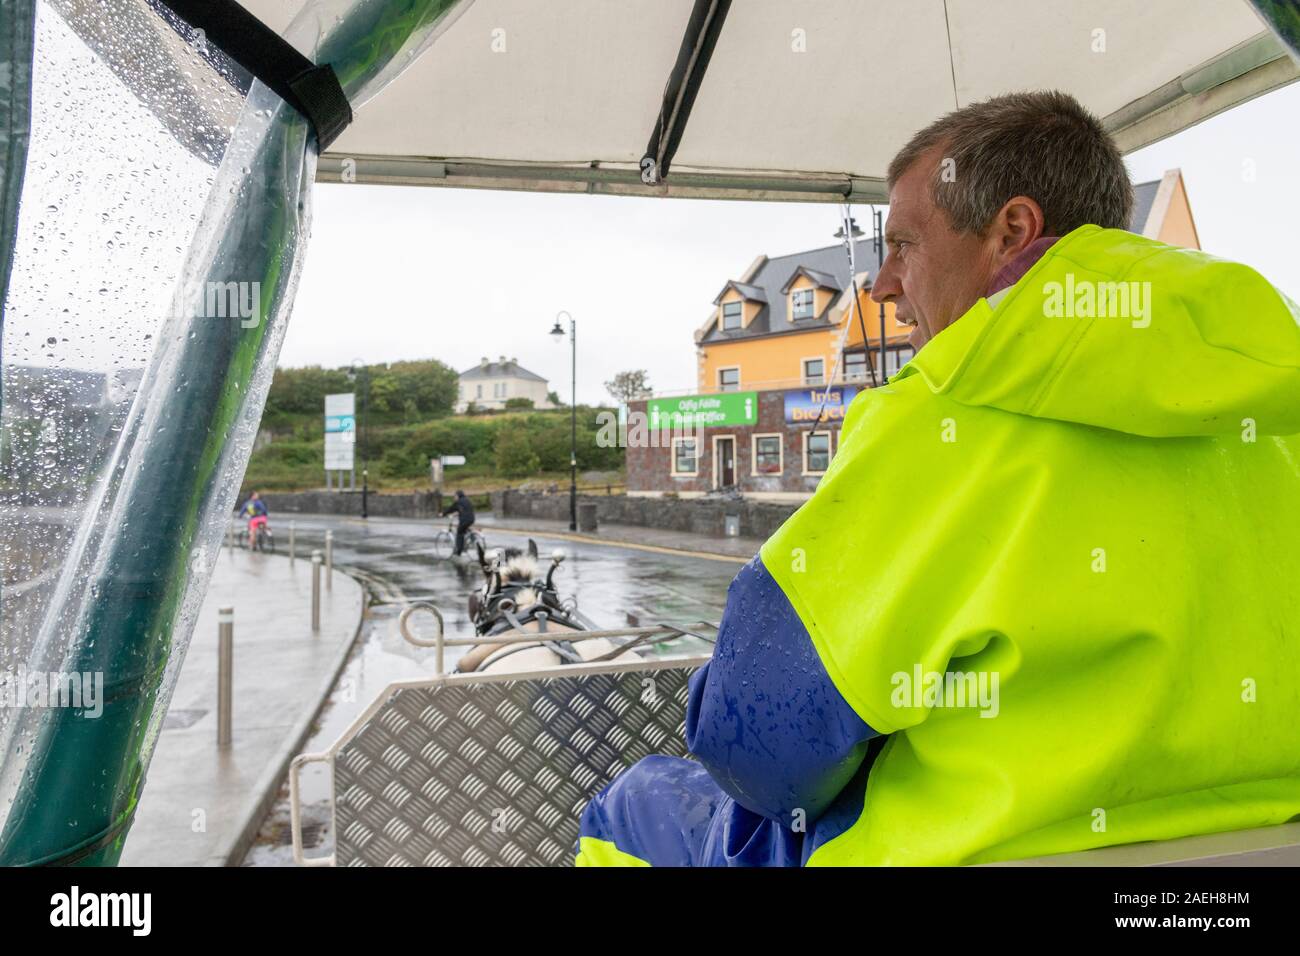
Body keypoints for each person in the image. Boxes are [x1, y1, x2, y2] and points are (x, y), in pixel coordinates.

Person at [576, 90, 1300, 866]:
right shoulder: (1272, 405)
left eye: (905, 246)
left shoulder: (938, 415)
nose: (883, 286)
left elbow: (758, 752)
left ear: (1012, 231)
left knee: (628, 806)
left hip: (951, 851)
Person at [441, 489, 476, 556]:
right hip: (471, 519)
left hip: (464, 519)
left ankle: (459, 550)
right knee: (465, 528)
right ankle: (473, 538)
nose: (454, 497)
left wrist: (443, 514)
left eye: (455, 496)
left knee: (459, 532)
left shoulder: (459, 502)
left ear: (458, 496)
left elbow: (451, 508)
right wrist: (457, 513)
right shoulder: (467, 500)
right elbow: (464, 510)